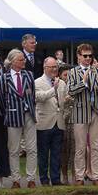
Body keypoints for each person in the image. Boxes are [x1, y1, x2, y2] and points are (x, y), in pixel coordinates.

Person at [64, 43, 98, 185]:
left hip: (96, 111)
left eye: (90, 56)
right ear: (79, 56)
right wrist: (84, 83)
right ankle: (80, 177)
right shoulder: (73, 72)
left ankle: (96, 176)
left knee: (96, 146)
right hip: (80, 111)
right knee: (80, 147)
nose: (88, 58)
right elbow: (70, 91)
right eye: (85, 56)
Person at [0, 48, 38, 187]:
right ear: (13, 62)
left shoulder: (29, 75)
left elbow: (32, 95)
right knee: (14, 149)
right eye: (21, 59)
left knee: (32, 148)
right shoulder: (3, 78)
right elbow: (3, 100)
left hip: (29, 114)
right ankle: (15, 179)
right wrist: (10, 112)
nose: (24, 61)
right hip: (13, 115)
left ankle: (31, 178)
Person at [33, 56, 66, 186]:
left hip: (59, 122)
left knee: (56, 154)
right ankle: (44, 179)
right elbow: (39, 97)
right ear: (44, 68)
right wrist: (54, 89)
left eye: (55, 67)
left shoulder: (62, 82)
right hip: (44, 123)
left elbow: (62, 102)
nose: (54, 70)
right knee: (43, 154)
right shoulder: (37, 82)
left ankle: (56, 179)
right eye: (51, 67)